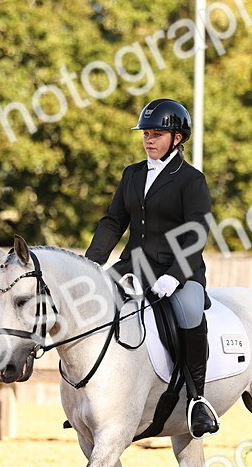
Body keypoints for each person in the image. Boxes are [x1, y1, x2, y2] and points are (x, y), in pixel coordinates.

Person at [84, 98, 219, 437]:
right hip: (134, 265)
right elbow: (113, 222)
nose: (148, 140)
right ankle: (94, 397)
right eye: (146, 133)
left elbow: (196, 232)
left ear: (177, 138)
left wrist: (174, 276)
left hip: (180, 269)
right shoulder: (132, 174)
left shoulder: (191, 180)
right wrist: (90, 264)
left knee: (189, 312)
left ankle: (197, 400)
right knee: (92, 308)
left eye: (157, 133)